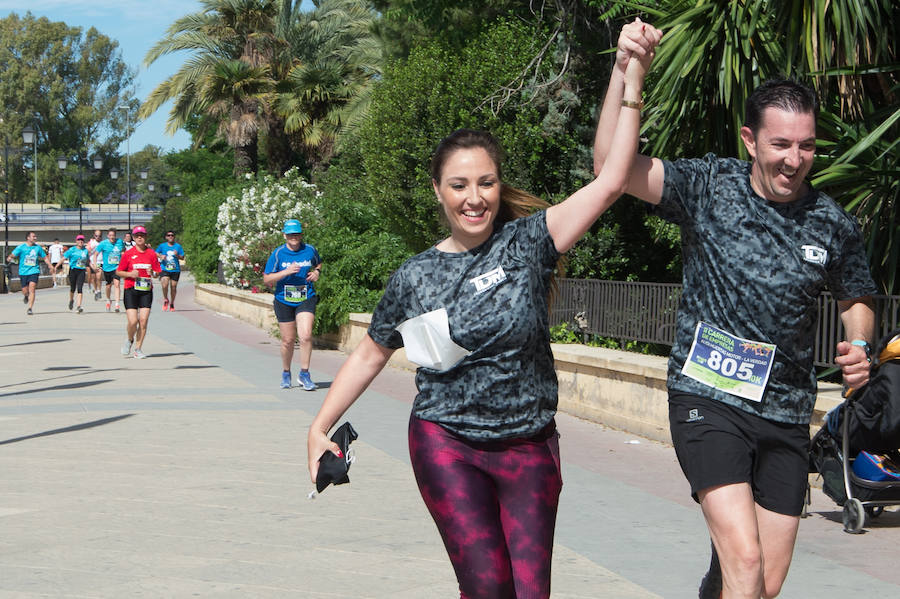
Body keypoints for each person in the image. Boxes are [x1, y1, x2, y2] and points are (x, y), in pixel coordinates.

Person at [306, 26, 657, 598]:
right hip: (448, 443)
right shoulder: (414, 277)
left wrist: (629, 70)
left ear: (499, 185)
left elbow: (614, 178)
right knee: (489, 587)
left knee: (531, 593)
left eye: (486, 183)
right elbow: (371, 352)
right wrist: (318, 426)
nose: (475, 197)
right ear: (438, 192)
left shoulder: (531, 242)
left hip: (529, 446)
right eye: (460, 185)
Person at [593, 20, 877, 599]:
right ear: (751, 140)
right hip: (707, 397)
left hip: (787, 413)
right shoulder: (708, 186)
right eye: (781, 144)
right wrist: (627, 71)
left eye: (806, 145)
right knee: (745, 563)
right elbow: (611, 168)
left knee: (759, 584)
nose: (795, 159)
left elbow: (857, 295)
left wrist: (860, 344)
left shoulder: (832, 222)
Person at [263, 220, 323, 390]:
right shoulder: (278, 254)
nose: (294, 238)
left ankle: (304, 374)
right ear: (285, 236)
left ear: (301, 235)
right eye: (290, 235)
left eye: (296, 234)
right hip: (284, 300)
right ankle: (286, 371)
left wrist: (317, 272)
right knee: (288, 340)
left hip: (305, 297)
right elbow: (267, 279)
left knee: (305, 335)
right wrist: (286, 272)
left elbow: (318, 263)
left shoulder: (309, 250)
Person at [116, 226, 161, 359]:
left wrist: (152, 273)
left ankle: (138, 349)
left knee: (143, 320)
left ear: (145, 237)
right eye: (137, 236)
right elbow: (118, 271)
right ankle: (130, 339)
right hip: (130, 289)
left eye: (142, 235)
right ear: (134, 238)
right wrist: (130, 273)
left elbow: (157, 273)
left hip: (146, 291)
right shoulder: (128, 254)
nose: (139, 237)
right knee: (133, 321)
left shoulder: (151, 254)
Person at [7, 231, 51, 316]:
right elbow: (13, 254)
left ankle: (30, 308)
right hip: (23, 272)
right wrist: (9, 257)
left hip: (34, 271)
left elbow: (45, 258)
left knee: (32, 288)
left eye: (35, 236)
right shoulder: (21, 247)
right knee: (24, 290)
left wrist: (50, 266)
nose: (35, 238)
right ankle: (26, 296)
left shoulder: (38, 248)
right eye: (33, 236)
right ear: (28, 237)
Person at [95, 228, 124, 312]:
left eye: (113, 235)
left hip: (117, 267)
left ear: (115, 236)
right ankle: (108, 300)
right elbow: (95, 254)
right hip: (107, 268)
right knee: (108, 286)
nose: (112, 237)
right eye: (110, 235)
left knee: (117, 284)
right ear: (108, 236)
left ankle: (117, 305)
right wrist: (95, 264)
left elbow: (123, 251)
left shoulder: (120, 242)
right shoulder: (103, 244)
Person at [155, 230, 185, 311]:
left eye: (172, 235)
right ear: (166, 237)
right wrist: (161, 256)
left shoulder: (178, 246)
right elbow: (155, 253)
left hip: (175, 270)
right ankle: (165, 299)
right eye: (169, 235)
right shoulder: (162, 246)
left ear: (174, 237)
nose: (170, 236)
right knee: (164, 284)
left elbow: (182, 257)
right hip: (164, 268)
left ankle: (172, 303)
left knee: (173, 287)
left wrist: (177, 255)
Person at [63, 234, 90, 313]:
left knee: (80, 288)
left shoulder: (85, 250)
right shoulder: (72, 250)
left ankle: (79, 306)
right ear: (76, 241)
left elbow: (88, 261)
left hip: (81, 270)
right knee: (72, 288)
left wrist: (94, 268)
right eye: (79, 240)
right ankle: (71, 300)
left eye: (82, 240)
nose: (81, 242)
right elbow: (64, 258)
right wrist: (56, 266)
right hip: (73, 270)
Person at [87, 229, 103, 299]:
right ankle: (96, 290)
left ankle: (99, 290)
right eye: (96, 236)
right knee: (93, 278)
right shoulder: (91, 243)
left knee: (98, 277)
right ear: (94, 236)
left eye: (99, 236)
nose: (98, 237)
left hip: (100, 262)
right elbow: (87, 252)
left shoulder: (103, 243)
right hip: (92, 262)